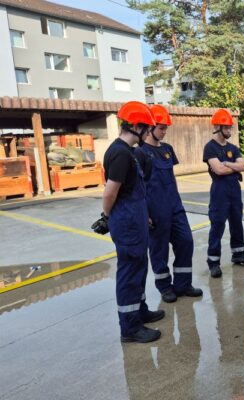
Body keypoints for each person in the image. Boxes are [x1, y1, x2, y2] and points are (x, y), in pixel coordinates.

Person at [91, 101, 163, 343]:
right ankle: (130, 328)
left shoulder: (129, 152)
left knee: (139, 268)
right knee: (130, 271)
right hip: (127, 222)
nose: (147, 133)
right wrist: (107, 217)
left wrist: (146, 215)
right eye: (145, 128)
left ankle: (139, 311)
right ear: (135, 126)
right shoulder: (121, 153)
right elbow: (110, 192)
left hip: (136, 219)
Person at [134, 105, 203, 303]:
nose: (164, 132)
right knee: (159, 249)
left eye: (166, 128)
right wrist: (145, 213)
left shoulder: (167, 149)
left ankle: (183, 284)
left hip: (175, 206)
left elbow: (170, 176)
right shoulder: (140, 153)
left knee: (186, 241)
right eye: (161, 128)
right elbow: (139, 186)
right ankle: (165, 287)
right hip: (155, 210)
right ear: (151, 127)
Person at [203, 108, 244, 279]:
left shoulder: (233, 147)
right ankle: (213, 262)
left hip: (234, 189)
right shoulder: (210, 147)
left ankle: (238, 253)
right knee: (217, 225)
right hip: (219, 191)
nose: (230, 131)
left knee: (236, 222)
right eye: (227, 128)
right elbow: (218, 170)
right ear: (217, 127)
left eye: (230, 128)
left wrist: (228, 164)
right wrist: (232, 166)